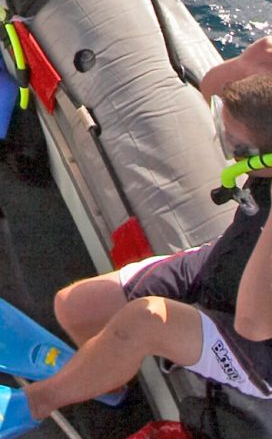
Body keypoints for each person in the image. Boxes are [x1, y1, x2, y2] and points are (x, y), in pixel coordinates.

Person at [24, 68, 272, 419]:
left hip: (258, 342)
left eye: (234, 145)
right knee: (76, 306)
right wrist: (255, 57)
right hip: (227, 260)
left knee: (145, 320)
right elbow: (216, 88)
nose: (225, 148)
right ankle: (106, 383)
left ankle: (38, 402)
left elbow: (252, 325)